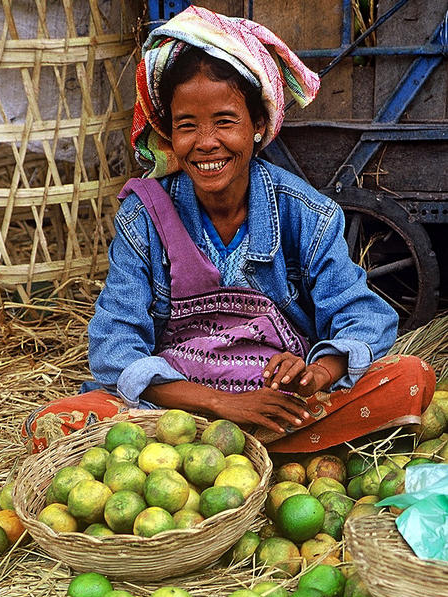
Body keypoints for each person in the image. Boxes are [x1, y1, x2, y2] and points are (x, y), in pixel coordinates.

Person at [22, 5, 435, 454]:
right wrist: (220, 404)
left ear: (258, 125)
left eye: (225, 121)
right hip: (177, 414)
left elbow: (365, 317)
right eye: (187, 126)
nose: (206, 143)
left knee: (410, 379)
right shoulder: (144, 217)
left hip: (279, 408)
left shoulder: (306, 214)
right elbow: (113, 346)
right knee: (53, 422)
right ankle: (272, 451)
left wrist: (319, 371)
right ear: (169, 135)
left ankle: (256, 448)